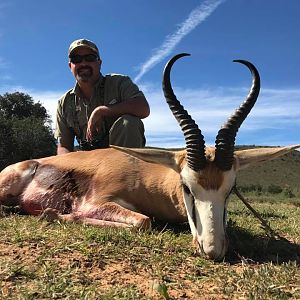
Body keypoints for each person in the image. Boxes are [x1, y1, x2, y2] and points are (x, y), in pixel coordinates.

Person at [55, 38, 150, 155]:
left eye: (90, 58)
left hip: (120, 160)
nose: (83, 63)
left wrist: (102, 111)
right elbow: (64, 146)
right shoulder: (64, 102)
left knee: (129, 123)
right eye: (76, 59)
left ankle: (124, 172)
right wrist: (67, 170)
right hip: (88, 162)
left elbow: (143, 108)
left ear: (99, 63)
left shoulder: (119, 83)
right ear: (70, 66)